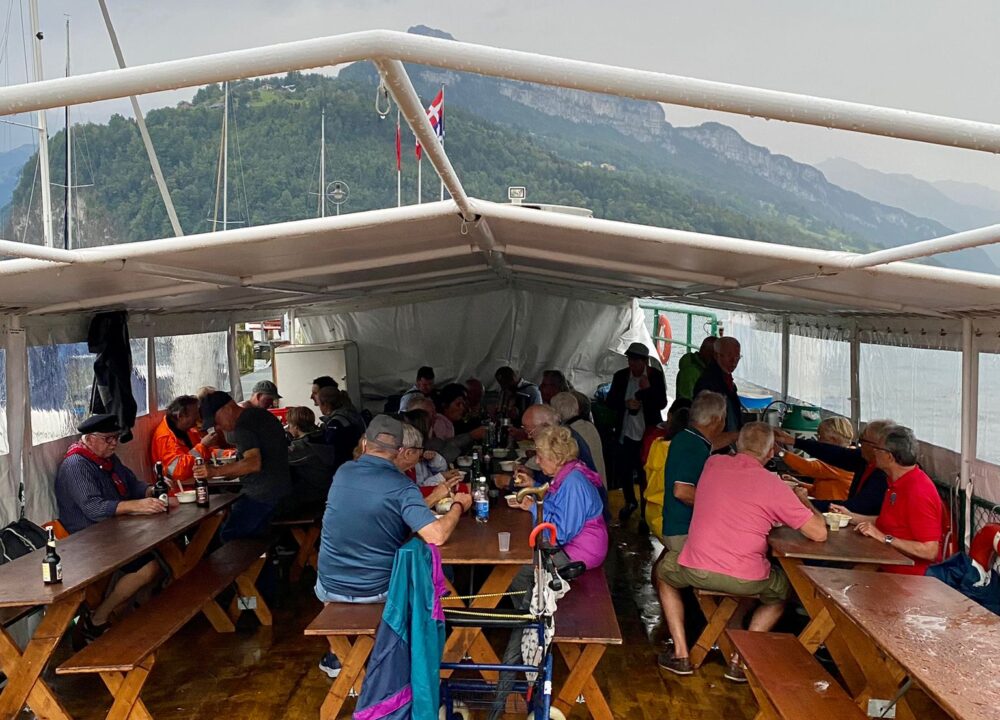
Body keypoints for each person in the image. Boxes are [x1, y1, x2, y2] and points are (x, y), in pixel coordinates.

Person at [656, 422, 827, 680]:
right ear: (770, 453)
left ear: (737, 445)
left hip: (695, 569)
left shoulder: (713, 464)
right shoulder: (774, 486)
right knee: (782, 593)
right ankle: (740, 659)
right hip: (748, 578)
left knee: (663, 574)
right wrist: (803, 501)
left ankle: (681, 653)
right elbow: (819, 533)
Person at [314, 415, 472, 678]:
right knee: (431, 576)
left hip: (329, 586)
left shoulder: (343, 473)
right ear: (400, 451)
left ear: (365, 444)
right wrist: (459, 505)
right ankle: (420, 654)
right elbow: (436, 536)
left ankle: (337, 656)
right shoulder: (401, 486)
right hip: (378, 590)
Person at [496, 426, 608, 716]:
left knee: (519, 575)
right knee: (523, 576)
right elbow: (555, 507)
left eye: (541, 455)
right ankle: (527, 622)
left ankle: (528, 625)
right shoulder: (567, 475)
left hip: (578, 555)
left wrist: (531, 506)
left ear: (557, 457)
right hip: (574, 548)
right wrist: (534, 491)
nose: (537, 460)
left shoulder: (573, 482)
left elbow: (558, 534)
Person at [55, 414, 166, 640]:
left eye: (116, 437)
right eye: (108, 439)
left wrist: (152, 491)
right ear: (89, 438)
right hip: (89, 540)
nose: (114, 443)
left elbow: (132, 484)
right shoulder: (76, 465)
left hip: (114, 532)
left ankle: (134, 616)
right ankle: (97, 619)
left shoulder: (107, 459)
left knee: (163, 553)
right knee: (149, 567)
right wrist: (135, 505)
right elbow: (94, 508)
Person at [844, 425, 945, 576]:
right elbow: (889, 521)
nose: (873, 452)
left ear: (889, 456)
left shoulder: (918, 490)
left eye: (877, 449)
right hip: (885, 562)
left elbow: (930, 551)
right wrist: (849, 516)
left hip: (909, 577)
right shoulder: (896, 482)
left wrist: (885, 538)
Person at [195, 391, 290, 542]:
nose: (218, 426)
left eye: (217, 421)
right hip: (282, 488)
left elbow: (253, 463)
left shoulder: (242, 426)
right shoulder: (260, 415)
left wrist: (215, 471)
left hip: (262, 495)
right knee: (253, 537)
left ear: (227, 408)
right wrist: (231, 470)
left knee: (229, 536)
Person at [774, 419, 894, 516]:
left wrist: (804, 502)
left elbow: (857, 507)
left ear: (876, 446)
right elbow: (837, 454)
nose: (860, 445)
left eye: (862, 441)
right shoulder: (866, 460)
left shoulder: (883, 474)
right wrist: (793, 441)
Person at [607, 342, 667, 522]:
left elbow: (661, 403)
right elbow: (610, 401)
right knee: (625, 469)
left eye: (636, 361)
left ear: (645, 362)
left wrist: (647, 390)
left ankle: (645, 511)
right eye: (630, 360)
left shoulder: (655, 376)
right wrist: (626, 404)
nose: (632, 364)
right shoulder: (621, 376)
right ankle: (630, 501)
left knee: (644, 472)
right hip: (626, 430)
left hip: (647, 432)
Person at [660, 391, 727, 551]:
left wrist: (740, 436)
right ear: (716, 420)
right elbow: (682, 491)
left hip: (675, 527)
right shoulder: (693, 446)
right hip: (683, 532)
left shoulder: (688, 437)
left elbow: (714, 443)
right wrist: (720, 506)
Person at [273, 406, 338, 520]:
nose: (288, 427)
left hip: (313, 494)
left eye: (289, 424)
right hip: (326, 489)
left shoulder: (303, 447)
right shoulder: (320, 437)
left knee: (272, 502)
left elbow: (277, 457)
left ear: (296, 427)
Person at [149, 395, 219, 490]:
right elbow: (177, 471)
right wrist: (203, 445)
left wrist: (229, 454)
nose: (198, 417)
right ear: (180, 416)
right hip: (179, 491)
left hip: (196, 483)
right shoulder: (165, 438)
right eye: (195, 414)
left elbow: (207, 453)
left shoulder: (188, 430)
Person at [779, 416, 855, 501]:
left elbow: (809, 467)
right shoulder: (844, 456)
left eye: (821, 437)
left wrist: (780, 452)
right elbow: (818, 491)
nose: (818, 441)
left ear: (833, 440)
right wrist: (798, 483)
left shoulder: (844, 460)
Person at [551, 391, 607, 488]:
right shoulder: (589, 426)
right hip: (599, 484)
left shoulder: (568, 434)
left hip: (587, 486)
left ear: (557, 414)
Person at [693, 336, 743, 434]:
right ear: (716, 356)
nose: (734, 361)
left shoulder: (727, 380)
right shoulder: (708, 382)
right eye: (729, 355)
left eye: (737, 357)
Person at [317, 387, 366, 471]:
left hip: (345, 465)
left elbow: (330, 448)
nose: (320, 407)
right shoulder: (351, 413)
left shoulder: (336, 422)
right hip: (358, 459)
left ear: (325, 404)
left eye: (319, 404)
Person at [675, 336, 717, 401]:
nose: (716, 358)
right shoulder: (691, 372)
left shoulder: (705, 368)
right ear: (704, 351)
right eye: (714, 354)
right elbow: (688, 401)